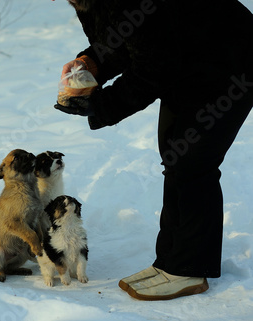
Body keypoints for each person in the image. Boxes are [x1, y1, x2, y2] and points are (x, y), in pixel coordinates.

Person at [54, 0, 253, 300]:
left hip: (231, 61)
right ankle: (171, 261)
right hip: (187, 58)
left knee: (193, 161)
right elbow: (126, 41)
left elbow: (152, 67)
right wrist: (89, 64)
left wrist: (101, 105)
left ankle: (189, 269)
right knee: (174, 154)